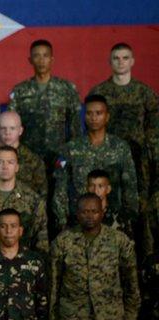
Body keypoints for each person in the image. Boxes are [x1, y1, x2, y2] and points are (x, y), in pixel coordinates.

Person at [50, 193, 141, 320]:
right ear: (77, 214)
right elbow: (53, 283)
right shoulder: (63, 242)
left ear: (102, 212)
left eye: (94, 211)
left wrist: (130, 315)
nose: (89, 216)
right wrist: (54, 318)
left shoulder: (119, 241)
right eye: (85, 212)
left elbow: (131, 281)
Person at [53, 94, 138, 231]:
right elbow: (60, 189)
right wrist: (62, 221)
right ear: (84, 116)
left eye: (99, 113)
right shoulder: (70, 149)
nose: (93, 118)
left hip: (113, 222)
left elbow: (130, 186)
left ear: (107, 116)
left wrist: (128, 219)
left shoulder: (120, 147)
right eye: (89, 113)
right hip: (78, 221)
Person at [89, 42, 158, 198]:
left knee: (140, 200)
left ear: (132, 61)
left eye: (125, 58)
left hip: (139, 159)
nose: (121, 62)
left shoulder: (145, 93)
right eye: (116, 58)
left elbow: (154, 128)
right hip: (106, 156)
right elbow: (91, 126)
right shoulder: (99, 92)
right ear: (110, 61)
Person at [8, 39, 81, 166]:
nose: (41, 61)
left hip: (59, 157)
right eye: (37, 56)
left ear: (52, 60)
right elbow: (11, 124)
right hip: (29, 158)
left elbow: (75, 126)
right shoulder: (20, 90)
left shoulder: (67, 88)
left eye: (45, 56)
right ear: (30, 60)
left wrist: (73, 155)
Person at [0, 111, 47, 197]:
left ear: (20, 130)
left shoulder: (34, 161)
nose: (7, 133)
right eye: (3, 128)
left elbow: (41, 196)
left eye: (12, 128)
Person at [86, 169, 133, 239]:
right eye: (92, 186)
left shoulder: (121, 216)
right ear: (87, 188)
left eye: (100, 186)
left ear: (108, 189)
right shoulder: (81, 217)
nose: (96, 191)